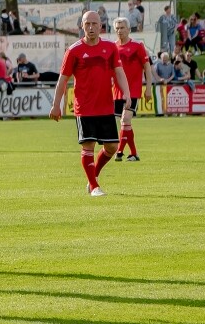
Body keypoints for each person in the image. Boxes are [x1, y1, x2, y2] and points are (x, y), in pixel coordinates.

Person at [49, 11, 131, 197]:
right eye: (87, 24)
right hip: (84, 107)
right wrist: (56, 104)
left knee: (111, 147)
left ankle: (92, 176)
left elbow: (119, 72)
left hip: (105, 106)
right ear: (82, 26)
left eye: (95, 24)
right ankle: (94, 187)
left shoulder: (110, 48)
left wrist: (126, 92)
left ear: (101, 26)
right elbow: (63, 80)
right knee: (88, 145)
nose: (91, 27)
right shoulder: (74, 50)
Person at [111, 17, 155, 163]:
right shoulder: (113, 47)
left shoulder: (137, 46)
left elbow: (147, 68)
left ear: (129, 29)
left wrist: (148, 88)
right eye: (117, 28)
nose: (119, 30)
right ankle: (134, 153)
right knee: (125, 124)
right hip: (117, 91)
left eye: (122, 27)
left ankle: (119, 151)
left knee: (125, 119)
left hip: (134, 90)